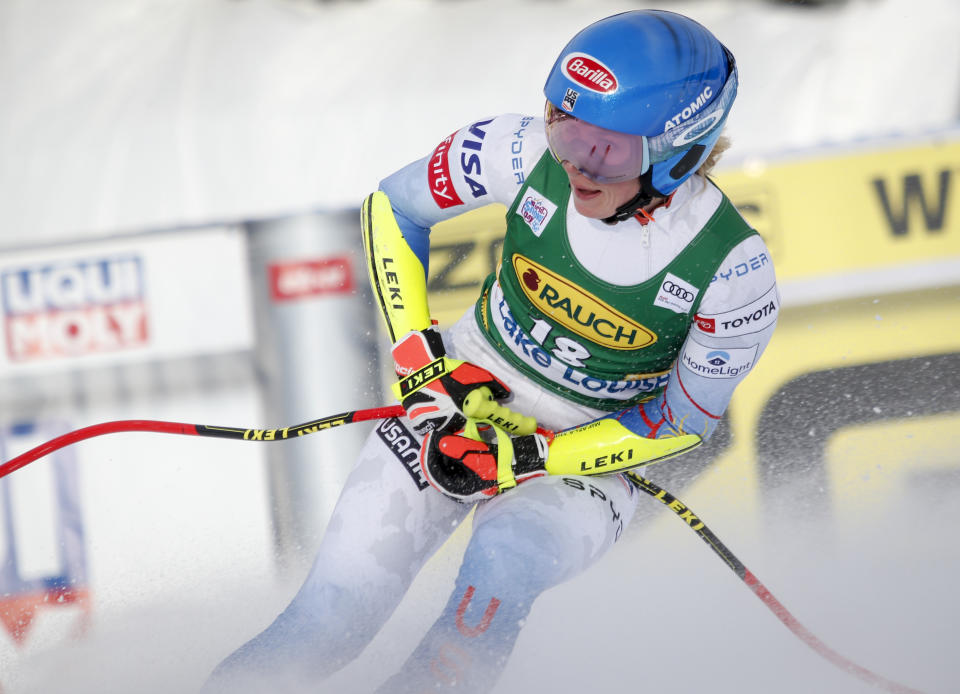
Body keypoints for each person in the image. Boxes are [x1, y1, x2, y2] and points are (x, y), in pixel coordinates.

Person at [204, 9, 778, 694]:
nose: (575, 162)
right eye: (566, 124)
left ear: (680, 149)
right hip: (460, 398)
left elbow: (682, 421)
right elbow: (394, 208)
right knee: (326, 622)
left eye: (609, 149)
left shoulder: (733, 270)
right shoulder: (519, 149)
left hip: (587, 460)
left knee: (502, 564)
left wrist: (538, 454)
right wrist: (422, 364)